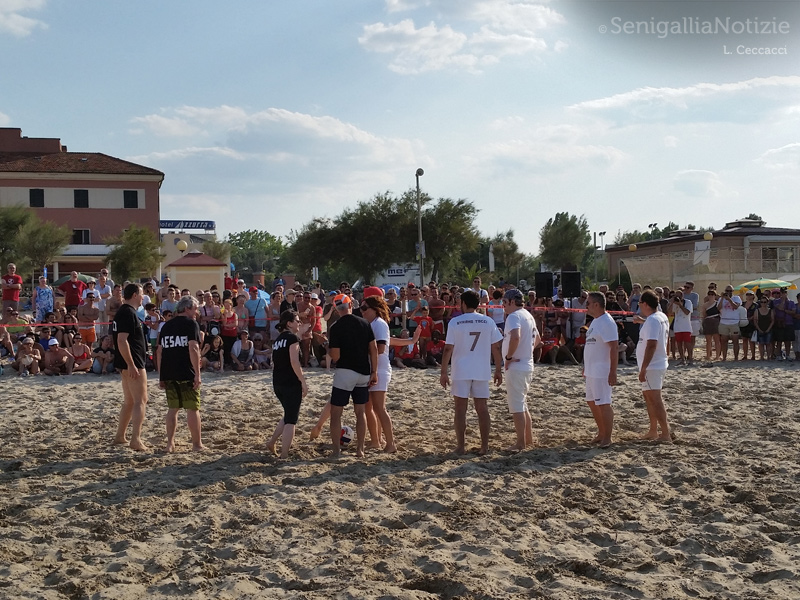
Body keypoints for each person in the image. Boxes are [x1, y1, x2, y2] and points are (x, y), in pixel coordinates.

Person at [439, 289, 503, 455]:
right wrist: (498, 369)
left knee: (460, 409)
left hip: (461, 369)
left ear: (463, 303)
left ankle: (461, 446)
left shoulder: (455, 322)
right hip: (481, 369)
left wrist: (443, 372)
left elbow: (448, 349)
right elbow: (496, 347)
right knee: (482, 408)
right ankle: (484, 446)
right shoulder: (488, 321)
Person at [325, 294, 378, 458]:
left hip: (345, 372)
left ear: (336, 309)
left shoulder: (336, 327)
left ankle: (336, 451)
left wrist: (326, 346)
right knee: (360, 412)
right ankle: (360, 449)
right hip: (363, 372)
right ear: (350, 305)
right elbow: (374, 349)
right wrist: (374, 371)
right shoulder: (364, 323)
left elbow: (336, 356)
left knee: (336, 413)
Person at [156, 295, 204, 453]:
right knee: (192, 408)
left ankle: (170, 444)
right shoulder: (191, 324)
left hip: (169, 371)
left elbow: (159, 351)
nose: (197, 312)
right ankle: (197, 444)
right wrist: (197, 373)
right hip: (186, 371)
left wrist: (161, 375)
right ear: (187, 308)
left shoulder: (166, 326)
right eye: (195, 309)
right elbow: (193, 348)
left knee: (173, 408)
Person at [266, 310, 309, 459]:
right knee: (291, 420)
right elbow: (294, 362)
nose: (299, 323)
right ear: (289, 323)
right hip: (290, 383)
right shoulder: (292, 338)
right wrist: (303, 382)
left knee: (288, 414)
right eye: (297, 320)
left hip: (278, 382)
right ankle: (284, 455)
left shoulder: (278, 340)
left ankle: (272, 442)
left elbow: (275, 362)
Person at [112, 283, 149, 451]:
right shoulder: (128, 312)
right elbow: (122, 340)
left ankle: (120, 436)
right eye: (141, 294)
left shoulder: (123, 311)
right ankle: (136, 439)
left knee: (130, 401)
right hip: (132, 362)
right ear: (134, 295)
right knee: (140, 400)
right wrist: (131, 364)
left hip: (126, 361)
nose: (143, 297)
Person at [502, 289, 540, 451]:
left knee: (517, 406)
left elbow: (516, 336)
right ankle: (528, 439)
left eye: (505, 302)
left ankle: (520, 443)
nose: (503, 306)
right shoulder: (528, 315)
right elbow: (538, 339)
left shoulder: (514, 316)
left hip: (516, 366)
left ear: (512, 302)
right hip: (527, 364)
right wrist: (526, 351)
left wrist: (509, 357)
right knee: (522, 404)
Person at [634, 290, 671, 442]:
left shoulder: (653, 320)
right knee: (649, 397)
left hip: (652, 365)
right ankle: (653, 430)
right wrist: (642, 321)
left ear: (645, 304)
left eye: (640, 303)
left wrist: (643, 368)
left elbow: (651, 345)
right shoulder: (660, 316)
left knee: (655, 399)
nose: (639, 306)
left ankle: (665, 433)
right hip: (657, 363)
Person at [583, 292, 618, 448]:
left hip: (601, 370)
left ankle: (607, 437)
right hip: (591, 370)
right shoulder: (595, 321)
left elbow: (614, 347)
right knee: (591, 401)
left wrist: (613, 371)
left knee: (604, 403)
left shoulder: (607, 322)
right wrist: (586, 366)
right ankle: (601, 432)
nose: (586, 306)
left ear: (596, 305)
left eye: (588, 303)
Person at [717, 285, 742, 361]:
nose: (728, 292)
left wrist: (729, 299)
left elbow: (735, 307)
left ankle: (736, 357)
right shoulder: (721, 299)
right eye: (727, 291)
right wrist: (722, 298)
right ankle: (724, 357)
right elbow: (718, 308)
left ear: (733, 291)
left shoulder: (736, 298)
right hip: (724, 322)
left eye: (730, 291)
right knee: (724, 341)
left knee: (735, 340)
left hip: (734, 322)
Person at [668, 289, 693, 365]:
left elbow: (687, 312)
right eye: (676, 295)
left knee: (687, 343)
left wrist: (680, 305)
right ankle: (682, 359)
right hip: (677, 326)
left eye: (679, 295)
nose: (678, 297)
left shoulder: (688, 302)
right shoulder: (674, 303)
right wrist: (672, 303)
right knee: (679, 343)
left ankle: (690, 358)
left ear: (682, 296)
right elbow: (669, 312)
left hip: (686, 326)